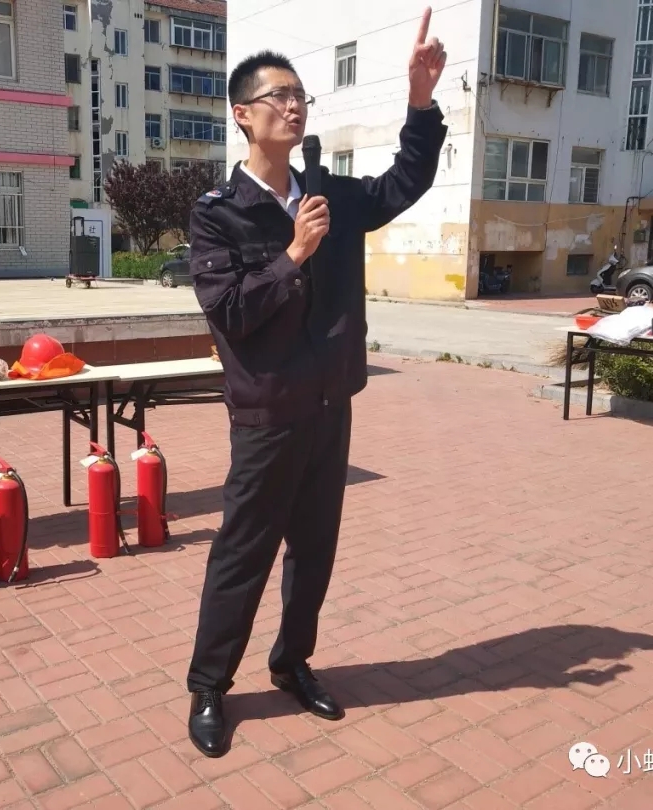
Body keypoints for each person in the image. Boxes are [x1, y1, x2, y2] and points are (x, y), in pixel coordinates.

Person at [185, 7, 448, 758]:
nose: (294, 105)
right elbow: (231, 314)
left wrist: (420, 102)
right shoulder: (218, 215)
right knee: (243, 551)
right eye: (279, 96)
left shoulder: (327, 192)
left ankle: (292, 662)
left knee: (314, 548)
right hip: (267, 413)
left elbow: (402, 184)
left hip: (330, 404)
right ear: (243, 114)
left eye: (301, 95)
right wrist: (294, 253)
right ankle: (209, 686)